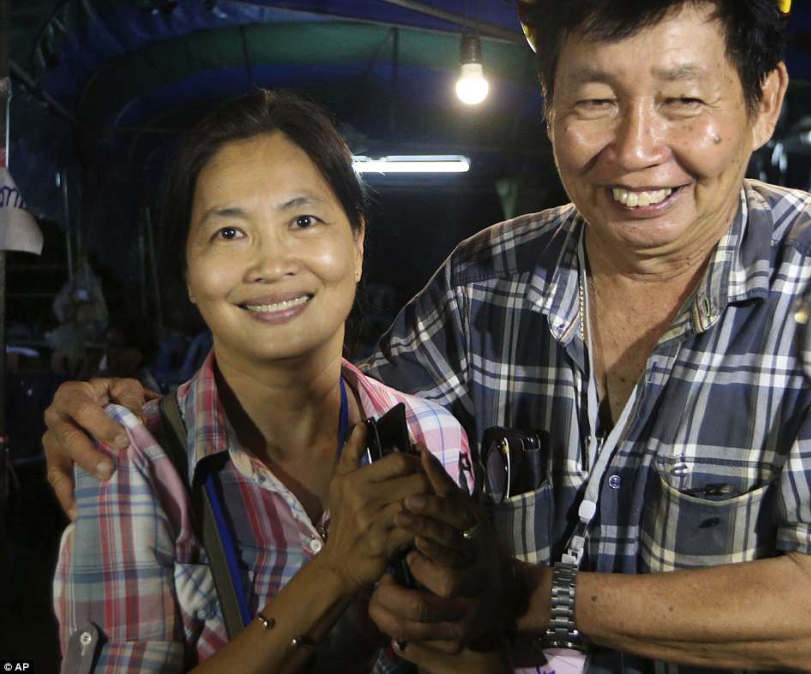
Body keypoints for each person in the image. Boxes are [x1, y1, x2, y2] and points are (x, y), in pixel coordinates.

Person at [42, 1, 811, 671]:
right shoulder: (483, 280)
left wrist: (525, 598)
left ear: (763, 102)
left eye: (683, 100)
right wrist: (133, 416)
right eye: (593, 101)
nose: (635, 150)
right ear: (547, 106)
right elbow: (329, 415)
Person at [51, 89, 489, 674]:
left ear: (357, 244)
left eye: (303, 221)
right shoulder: (129, 461)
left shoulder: (430, 433)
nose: (271, 264)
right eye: (229, 233)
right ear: (186, 270)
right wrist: (335, 572)